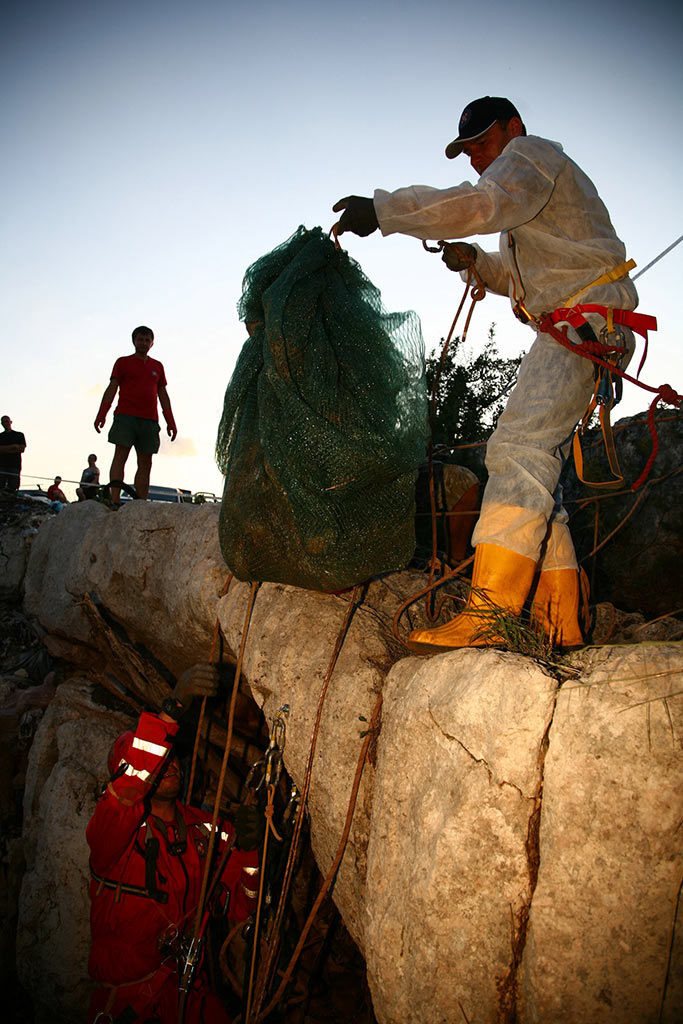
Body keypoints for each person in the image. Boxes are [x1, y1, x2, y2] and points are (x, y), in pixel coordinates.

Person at [333, 95, 639, 651]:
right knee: (533, 457)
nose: (476, 159)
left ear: (513, 129)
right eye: (468, 152)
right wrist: (480, 263)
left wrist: (384, 211)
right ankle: (558, 620)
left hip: (588, 320)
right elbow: (528, 280)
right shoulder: (527, 184)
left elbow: (479, 205)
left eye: (482, 144)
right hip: (576, 320)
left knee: (517, 449)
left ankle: (492, 609)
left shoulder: (530, 155)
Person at [87, 664, 261, 1024]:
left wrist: (250, 849)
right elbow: (131, 784)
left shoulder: (206, 831)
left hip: (189, 993)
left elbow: (245, 906)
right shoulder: (114, 833)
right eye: (157, 759)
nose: (167, 764)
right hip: (129, 1003)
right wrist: (171, 711)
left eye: (171, 757)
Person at [94, 326, 177, 505]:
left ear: (152, 343)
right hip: (125, 416)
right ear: (134, 341)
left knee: (145, 462)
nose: (144, 343)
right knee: (120, 456)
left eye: (147, 340)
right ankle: (115, 499)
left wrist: (171, 421)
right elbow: (112, 389)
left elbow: (163, 394)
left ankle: (140, 502)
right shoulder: (122, 362)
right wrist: (102, 414)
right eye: (140, 339)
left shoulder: (157, 366)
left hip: (149, 420)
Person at [0, 415, 27, 491]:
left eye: (7, 422)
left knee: (14, 487)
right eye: (3, 422)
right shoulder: (0, 436)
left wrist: (5, 449)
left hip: (14, 465)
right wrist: (13, 447)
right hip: (2, 466)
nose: (5, 424)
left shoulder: (19, 435)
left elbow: (22, 449)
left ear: (10, 422)